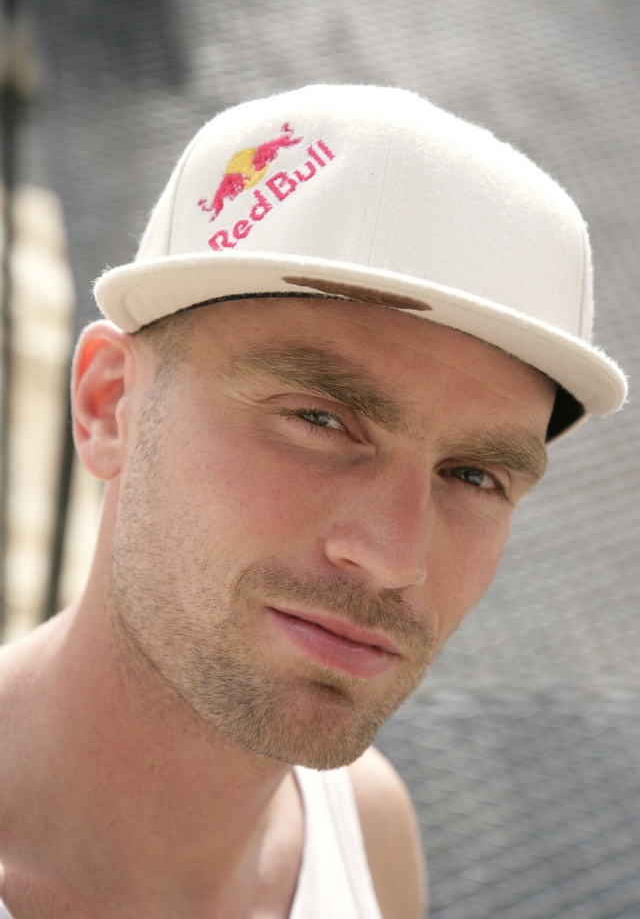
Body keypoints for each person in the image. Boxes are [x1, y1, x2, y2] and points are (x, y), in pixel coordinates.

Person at [0, 84, 627, 919]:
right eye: (320, 420)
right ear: (109, 405)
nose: (395, 557)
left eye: (475, 475)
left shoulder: (364, 829)